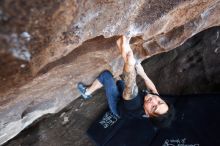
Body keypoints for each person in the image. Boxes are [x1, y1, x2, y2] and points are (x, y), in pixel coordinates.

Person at [78, 36, 175, 128]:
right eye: (160, 101)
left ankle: (86, 92)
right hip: (126, 100)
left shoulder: (135, 104)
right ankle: (118, 82)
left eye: (153, 107)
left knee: (107, 76)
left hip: (118, 106)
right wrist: (143, 74)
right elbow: (153, 90)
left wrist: (129, 62)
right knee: (118, 80)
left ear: (147, 114)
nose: (154, 100)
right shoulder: (155, 99)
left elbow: (130, 83)